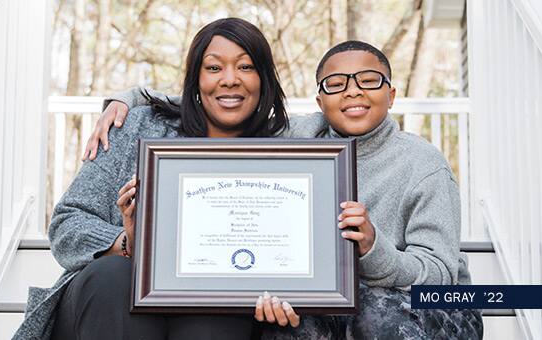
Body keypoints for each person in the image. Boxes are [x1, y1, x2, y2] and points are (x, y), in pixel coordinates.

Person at [83, 40, 484, 339]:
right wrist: (129, 99)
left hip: (434, 304)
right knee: (280, 323)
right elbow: (222, 98)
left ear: (391, 94)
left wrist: (373, 248)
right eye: (336, 84)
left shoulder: (423, 164)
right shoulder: (300, 136)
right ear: (319, 101)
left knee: (371, 314)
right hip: (337, 303)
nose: (353, 92)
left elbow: (441, 275)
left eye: (369, 80)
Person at [13, 18, 302, 340]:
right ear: (195, 79)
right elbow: (67, 223)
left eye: (246, 67)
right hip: (106, 303)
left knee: (221, 306)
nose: (230, 80)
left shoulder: (286, 152)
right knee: (115, 275)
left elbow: (350, 109)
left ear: (264, 78)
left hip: (215, 308)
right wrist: (129, 242)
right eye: (214, 68)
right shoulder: (138, 127)